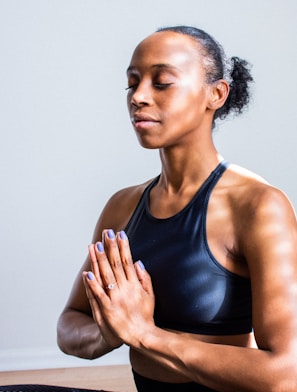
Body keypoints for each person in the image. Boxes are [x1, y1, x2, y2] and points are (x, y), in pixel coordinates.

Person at [57, 26, 297, 391]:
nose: (138, 96)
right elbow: (70, 323)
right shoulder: (122, 206)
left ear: (215, 94)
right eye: (132, 83)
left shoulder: (259, 206)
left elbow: (285, 372)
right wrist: (110, 332)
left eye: (162, 82)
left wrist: (146, 335)